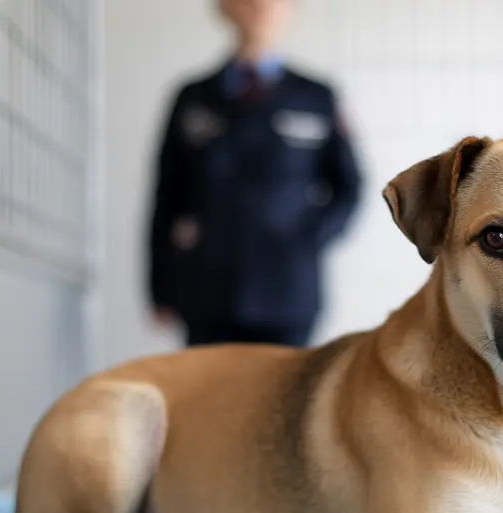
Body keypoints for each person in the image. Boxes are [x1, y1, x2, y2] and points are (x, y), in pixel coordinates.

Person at [147, 0, 363, 348]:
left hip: (288, 295)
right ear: (222, 7)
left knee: (287, 400)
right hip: (208, 291)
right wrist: (159, 287)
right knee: (211, 398)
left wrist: (307, 241)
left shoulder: (316, 97)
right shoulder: (192, 99)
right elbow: (165, 197)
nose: (259, 5)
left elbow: (349, 187)